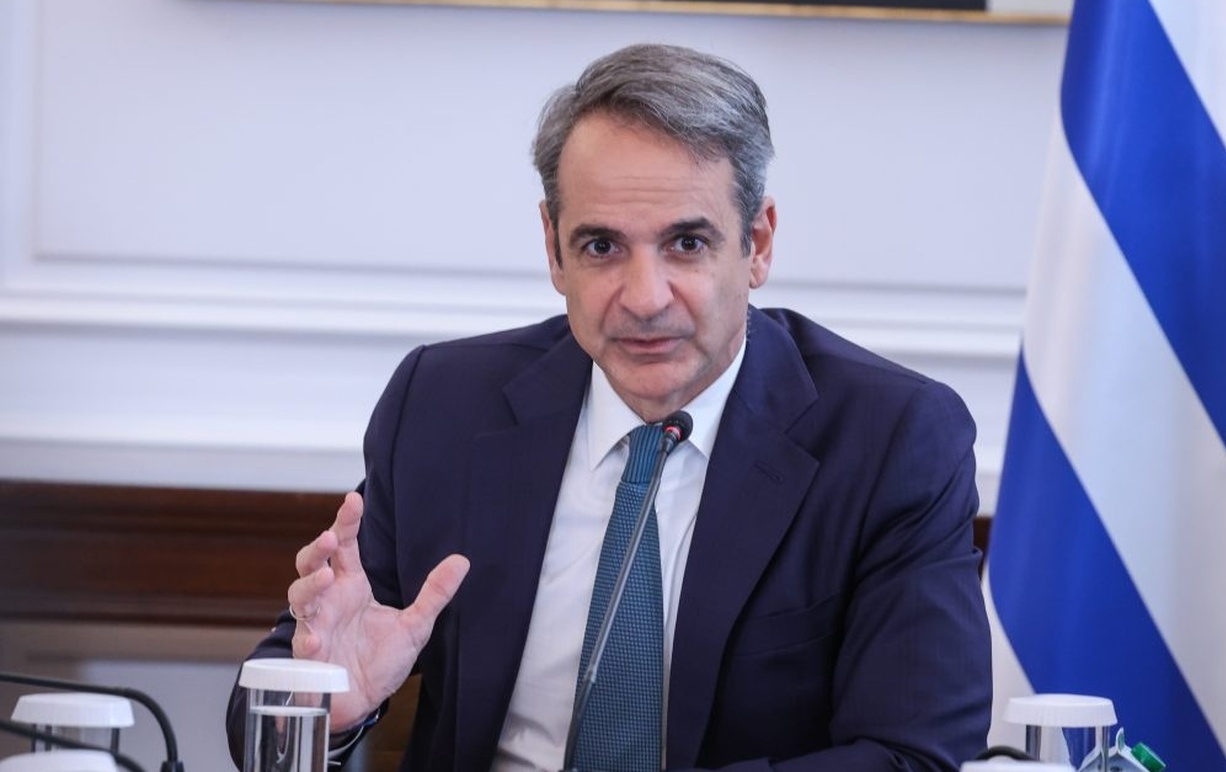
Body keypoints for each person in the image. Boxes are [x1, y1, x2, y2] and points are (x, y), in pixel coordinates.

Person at [226, 42, 991, 771]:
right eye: (601, 247)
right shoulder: (444, 407)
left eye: (686, 244)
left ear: (757, 244)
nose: (645, 298)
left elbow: (913, 755)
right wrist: (325, 707)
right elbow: (273, 702)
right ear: (554, 249)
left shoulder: (889, 439)